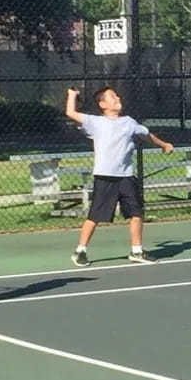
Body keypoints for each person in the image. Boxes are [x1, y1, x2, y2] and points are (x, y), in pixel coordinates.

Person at [65, 86, 174, 267]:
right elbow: (70, 112)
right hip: (105, 176)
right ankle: (80, 251)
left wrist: (164, 145)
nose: (117, 98)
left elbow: (147, 135)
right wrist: (72, 95)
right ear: (103, 104)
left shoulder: (129, 122)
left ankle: (137, 251)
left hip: (126, 176)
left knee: (136, 213)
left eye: (117, 95)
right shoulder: (95, 122)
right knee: (95, 216)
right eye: (112, 96)